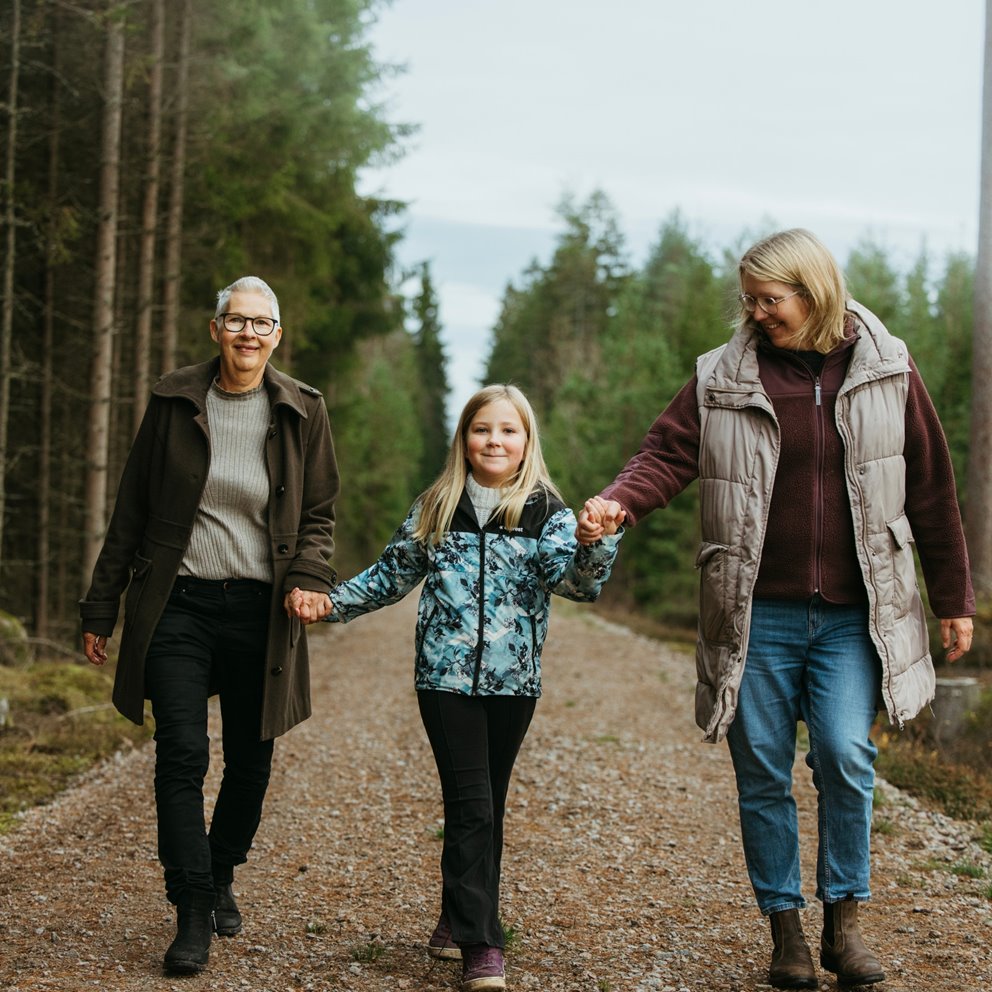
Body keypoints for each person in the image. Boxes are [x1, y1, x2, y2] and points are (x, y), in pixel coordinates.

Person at [578, 228, 974, 990]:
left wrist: (954, 598)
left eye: (772, 300)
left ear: (814, 291)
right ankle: (786, 934)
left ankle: (844, 924)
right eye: (749, 300)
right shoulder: (723, 376)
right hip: (756, 613)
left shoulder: (888, 368)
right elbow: (664, 454)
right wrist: (619, 504)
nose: (757, 314)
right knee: (760, 768)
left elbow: (929, 485)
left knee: (844, 757)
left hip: (854, 617)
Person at [291, 384, 622, 992]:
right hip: (443, 681)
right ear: (464, 439)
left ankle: (453, 916)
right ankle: (482, 945)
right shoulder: (437, 506)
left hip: (514, 683)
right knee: (471, 802)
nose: (494, 441)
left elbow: (576, 585)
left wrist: (594, 544)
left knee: (485, 803)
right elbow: (388, 578)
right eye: (481, 430)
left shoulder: (547, 511)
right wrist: (327, 603)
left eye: (507, 431)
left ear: (526, 442)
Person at [80, 276, 338, 976]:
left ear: (278, 335)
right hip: (178, 605)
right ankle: (191, 906)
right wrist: (101, 606)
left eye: (262, 323)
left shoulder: (303, 410)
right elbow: (132, 508)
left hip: (262, 611)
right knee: (182, 756)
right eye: (236, 320)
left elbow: (318, 516)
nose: (248, 333)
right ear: (215, 327)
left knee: (252, 765)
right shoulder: (173, 401)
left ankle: (221, 868)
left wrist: (311, 578)